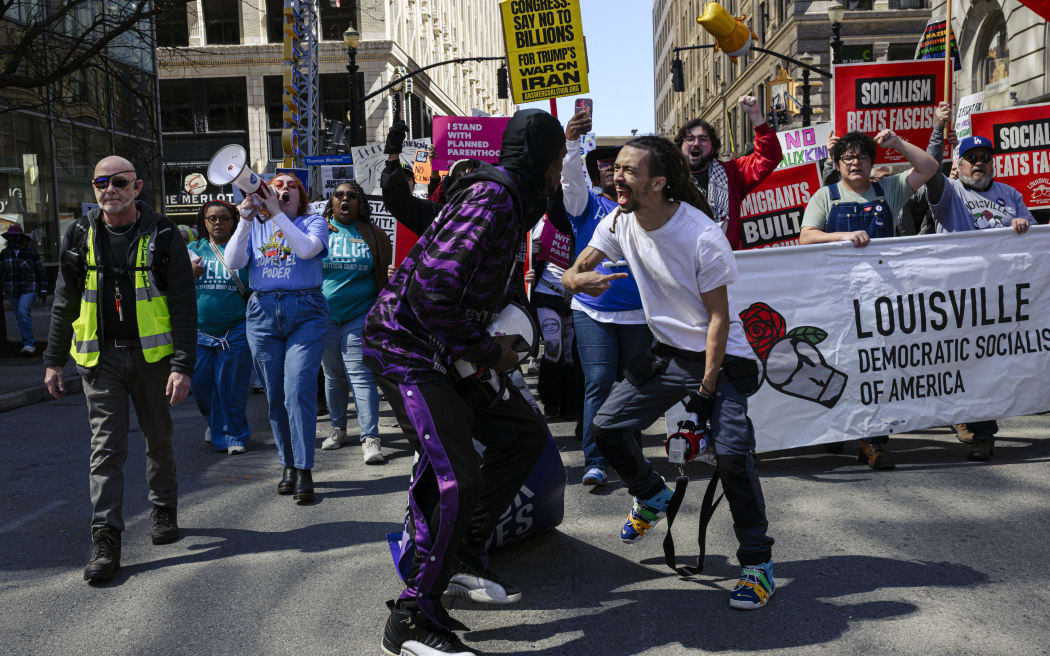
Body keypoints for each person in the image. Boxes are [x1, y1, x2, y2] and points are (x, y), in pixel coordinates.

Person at [363, 109, 563, 656]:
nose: (559, 176)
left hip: (444, 350)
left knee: (523, 434)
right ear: (546, 160)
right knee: (457, 476)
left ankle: (463, 554)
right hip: (407, 349)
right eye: (560, 162)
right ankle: (412, 616)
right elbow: (431, 293)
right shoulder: (495, 200)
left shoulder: (507, 201)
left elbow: (472, 280)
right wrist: (488, 350)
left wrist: (510, 325)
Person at [562, 135, 775, 610]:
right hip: (667, 353)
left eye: (630, 171)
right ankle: (650, 495)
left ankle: (758, 564)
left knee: (733, 457)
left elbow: (719, 320)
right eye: (616, 168)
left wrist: (705, 389)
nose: (618, 176)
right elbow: (573, 271)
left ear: (658, 182)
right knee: (608, 428)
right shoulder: (618, 220)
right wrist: (577, 279)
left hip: (720, 359)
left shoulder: (700, 235)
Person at [44, 156, 196, 583]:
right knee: (106, 449)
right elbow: (64, 301)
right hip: (101, 359)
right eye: (101, 182)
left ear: (137, 187)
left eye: (119, 182)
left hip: (152, 359)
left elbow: (184, 304)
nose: (110, 189)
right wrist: (53, 361)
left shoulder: (163, 233)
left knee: (158, 437)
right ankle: (106, 537)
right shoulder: (78, 234)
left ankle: (163, 508)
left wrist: (182, 366)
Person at [800, 129, 939, 469]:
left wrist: (898, 144)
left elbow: (929, 167)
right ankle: (836, 431)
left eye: (861, 157)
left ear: (871, 162)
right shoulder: (826, 195)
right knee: (836, 365)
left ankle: (873, 441)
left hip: (879, 298)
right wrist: (843, 236)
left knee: (876, 370)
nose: (855, 163)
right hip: (836, 297)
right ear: (837, 163)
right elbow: (806, 237)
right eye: (847, 157)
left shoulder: (888, 189)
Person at [926, 133, 1036, 461]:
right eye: (971, 157)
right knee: (959, 360)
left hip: (997, 297)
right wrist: (937, 129)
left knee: (988, 362)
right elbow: (929, 170)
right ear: (958, 165)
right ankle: (962, 414)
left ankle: (984, 435)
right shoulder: (949, 192)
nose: (978, 163)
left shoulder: (1010, 194)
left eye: (984, 157)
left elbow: (1035, 239)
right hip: (956, 295)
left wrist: (1022, 225)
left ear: (992, 162)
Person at [560, 110, 653, 486]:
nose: (613, 176)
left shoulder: (647, 209)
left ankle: (630, 458)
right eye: (605, 170)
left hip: (638, 313)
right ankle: (595, 460)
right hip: (592, 310)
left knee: (634, 385)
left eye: (620, 169)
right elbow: (570, 181)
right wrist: (570, 145)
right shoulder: (586, 206)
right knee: (598, 380)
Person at [224, 174, 330, 505]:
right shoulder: (255, 225)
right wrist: (244, 220)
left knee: (298, 390)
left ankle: (304, 469)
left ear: (301, 195)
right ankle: (288, 463)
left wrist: (277, 214)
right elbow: (233, 262)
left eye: (290, 186)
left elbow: (306, 249)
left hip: (306, 311)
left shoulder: (314, 222)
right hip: (263, 313)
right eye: (277, 184)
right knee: (275, 394)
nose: (283, 189)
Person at [319, 180, 391, 463]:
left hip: (359, 315)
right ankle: (338, 429)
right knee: (333, 377)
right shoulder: (319, 231)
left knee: (359, 375)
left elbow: (388, 269)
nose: (344, 200)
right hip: (323, 316)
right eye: (339, 196)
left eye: (351, 196)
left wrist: (392, 272)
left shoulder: (373, 233)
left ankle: (370, 437)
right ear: (332, 202)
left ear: (360, 203)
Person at [675, 96, 783, 249]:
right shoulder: (668, 181)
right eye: (690, 139)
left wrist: (756, 115)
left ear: (713, 147)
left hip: (724, 261)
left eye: (703, 139)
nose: (696, 143)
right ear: (680, 146)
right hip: (683, 263)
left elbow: (769, 157)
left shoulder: (733, 173)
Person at [189, 200, 252, 455]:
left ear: (233, 221)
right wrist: (186, 273)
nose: (218, 223)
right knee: (201, 388)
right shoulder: (192, 249)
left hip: (236, 329)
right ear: (204, 222)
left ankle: (234, 434)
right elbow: (169, 284)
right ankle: (216, 422)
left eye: (224, 218)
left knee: (231, 388)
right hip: (199, 332)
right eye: (212, 218)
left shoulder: (244, 249)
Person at [0, 224, 48, 355]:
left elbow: (40, 272)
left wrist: (43, 290)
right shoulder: (4, 254)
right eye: (12, 236)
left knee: (23, 312)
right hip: (12, 289)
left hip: (29, 288)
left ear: (22, 237)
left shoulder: (30, 252)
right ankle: (26, 342)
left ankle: (29, 344)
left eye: (17, 236)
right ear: (8, 238)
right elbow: (1, 273)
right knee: (20, 317)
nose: (14, 239)